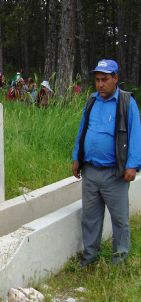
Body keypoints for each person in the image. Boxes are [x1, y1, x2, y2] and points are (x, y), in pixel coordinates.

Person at [72, 59, 141, 267]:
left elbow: (136, 135)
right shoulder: (92, 101)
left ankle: (119, 261)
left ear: (115, 79)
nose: (100, 84)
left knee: (119, 220)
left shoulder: (127, 103)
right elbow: (82, 131)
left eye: (104, 80)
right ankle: (89, 256)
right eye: (97, 80)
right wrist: (77, 156)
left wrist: (133, 164)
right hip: (91, 171)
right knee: (90, 218)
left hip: (115, 174)